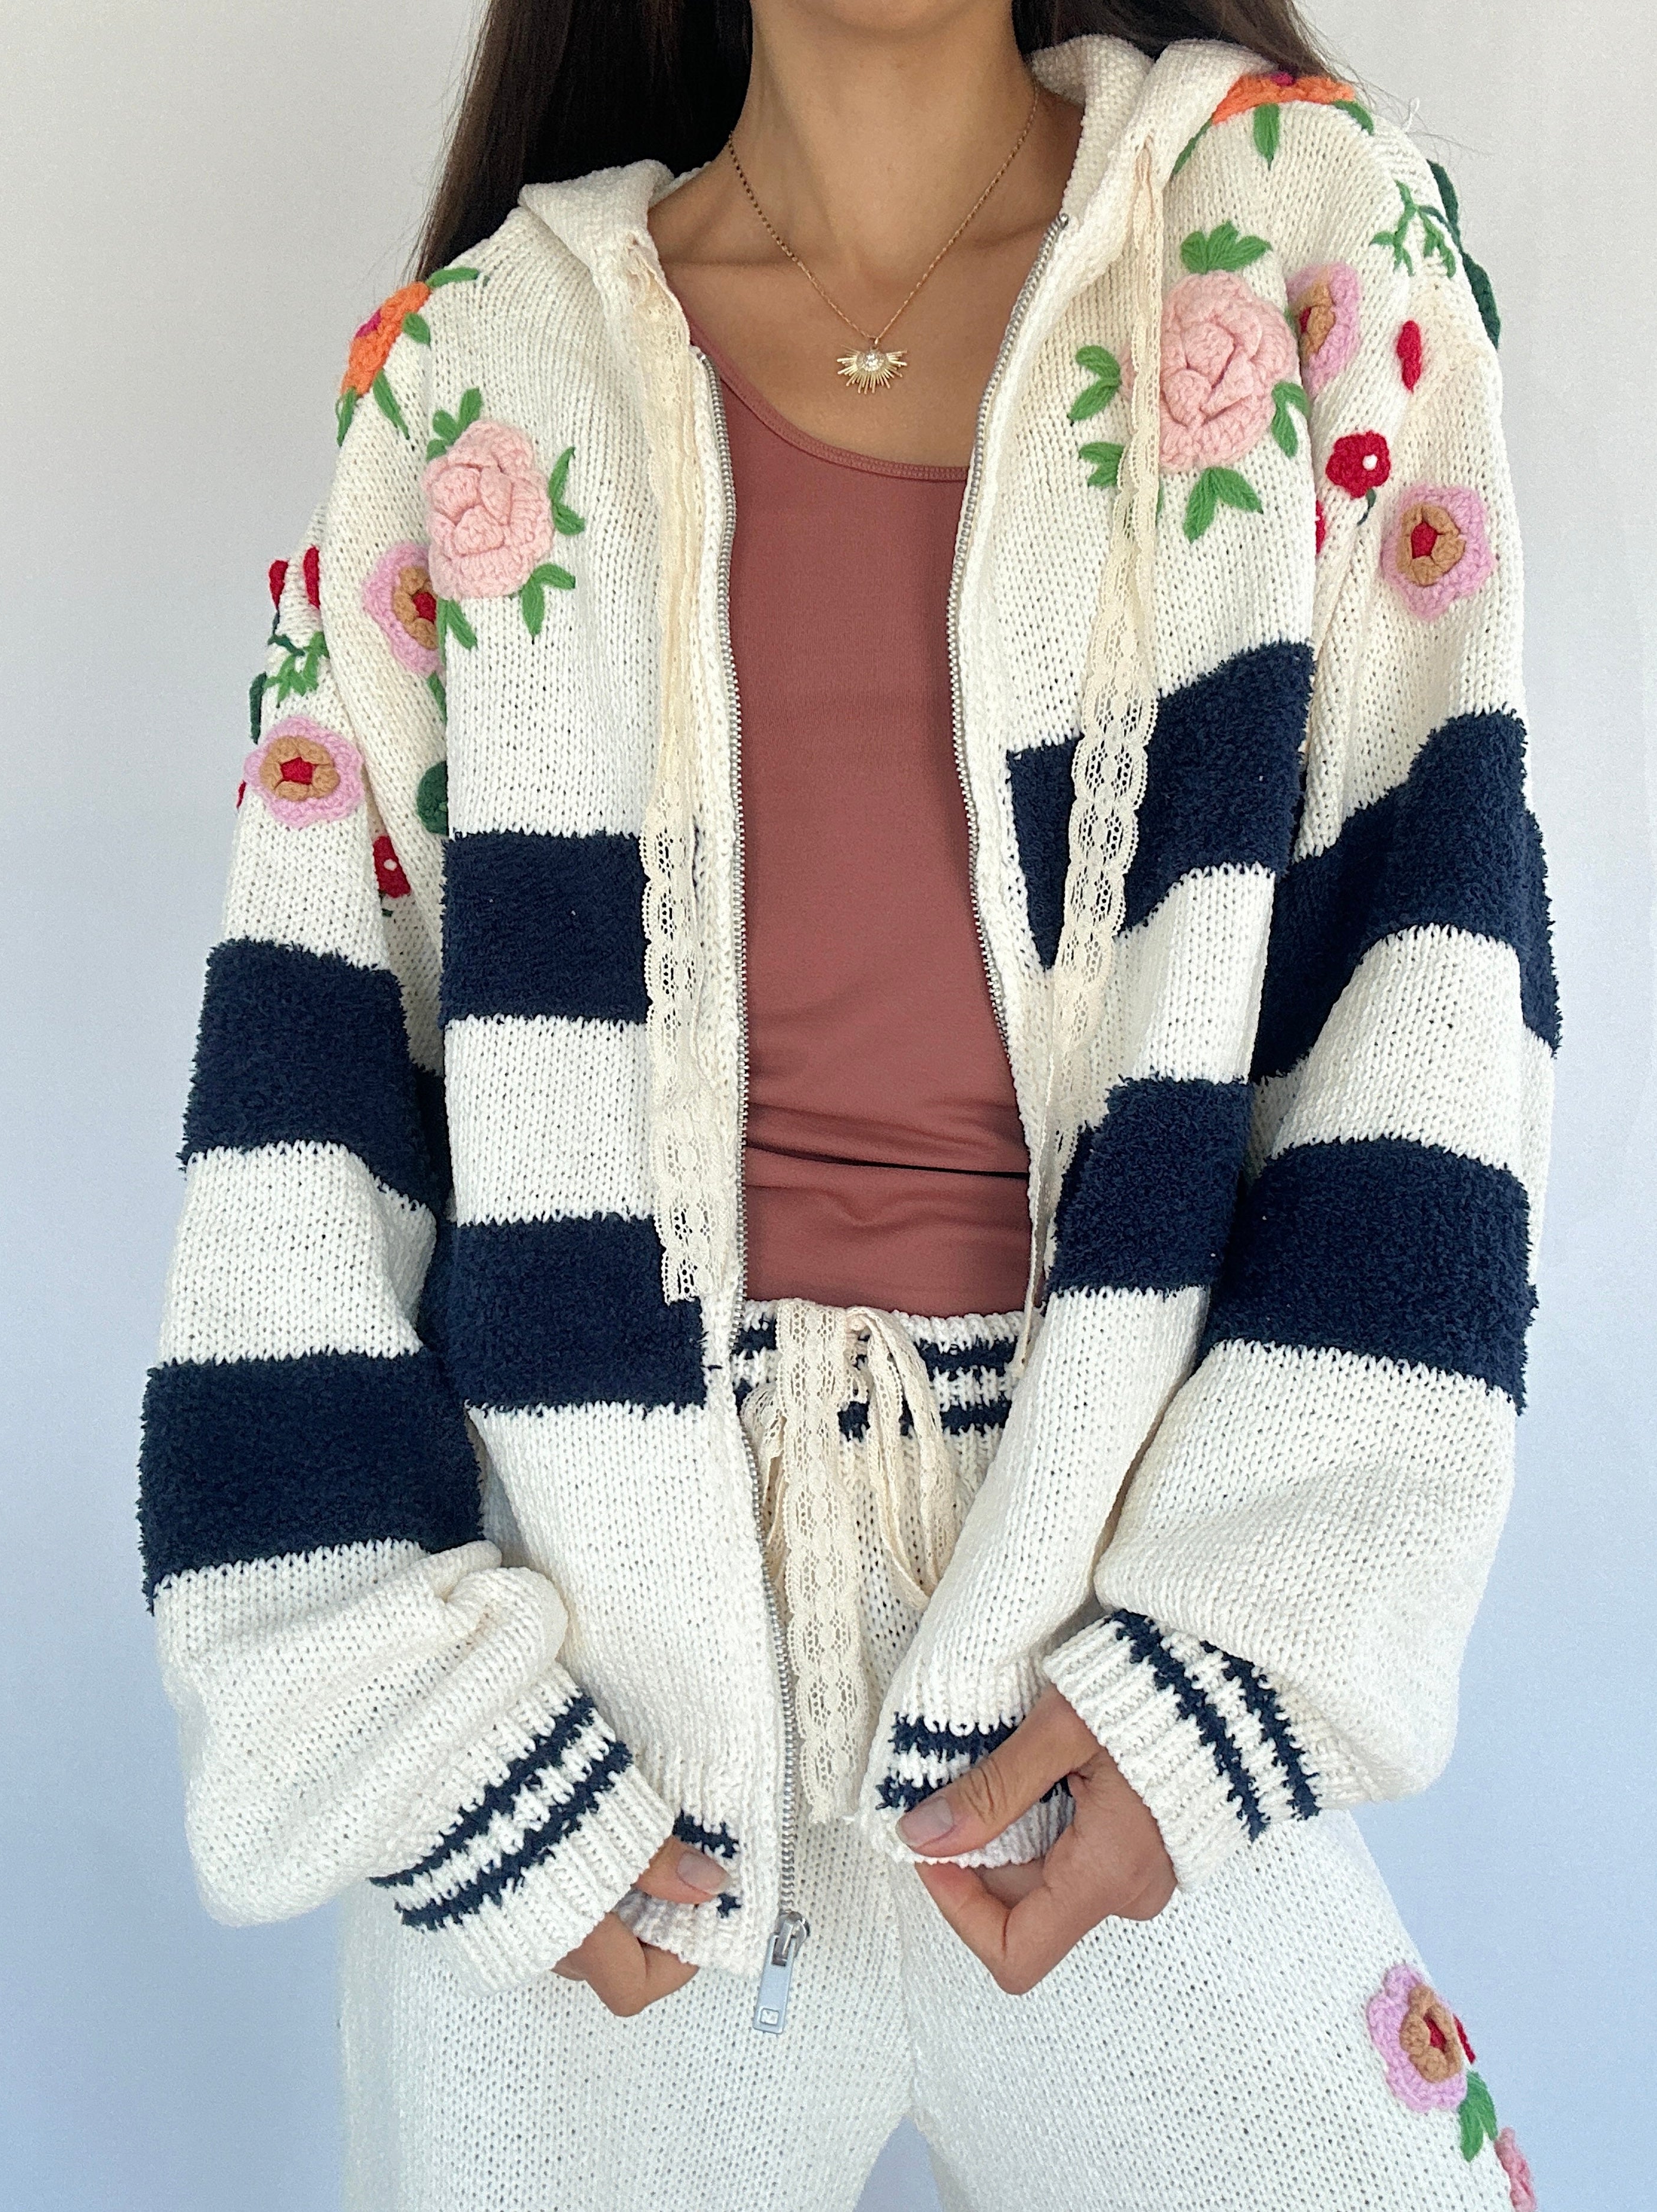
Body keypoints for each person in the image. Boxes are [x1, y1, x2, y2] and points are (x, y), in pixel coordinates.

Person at [137, 1, 1555, 2205]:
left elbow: (1430, 983)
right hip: (584, 1725)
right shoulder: (473, 369)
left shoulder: (1297, 242)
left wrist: (1230, 1643)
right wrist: (412, 1730)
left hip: (1109, 1629)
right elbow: (305, 1102)